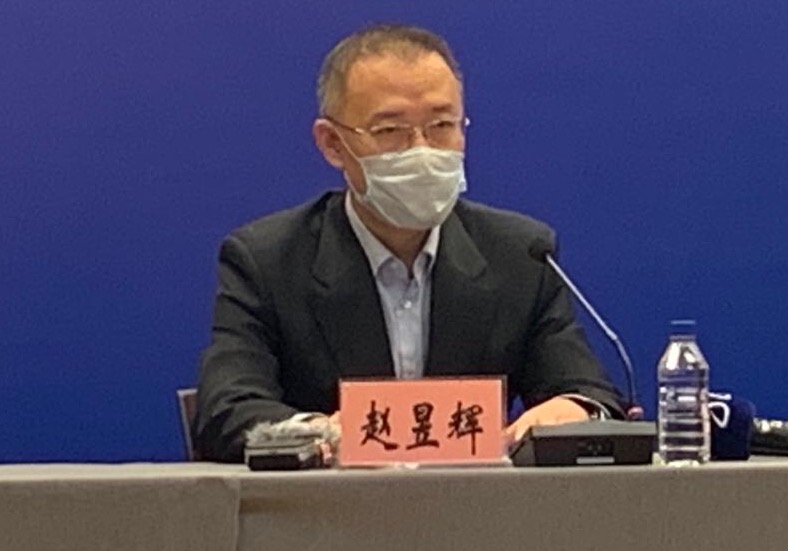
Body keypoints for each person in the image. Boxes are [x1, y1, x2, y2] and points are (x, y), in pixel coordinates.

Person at [195, 24, 626, 462]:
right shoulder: (268, 261)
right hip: (330, 502)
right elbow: (227, 410)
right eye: (390, 131)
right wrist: (323, 435)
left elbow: (588, 392)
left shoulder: (520, 255)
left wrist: (574, 410)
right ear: (333, 144)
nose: (422, 150)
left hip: (479, 503)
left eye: (442, 125)